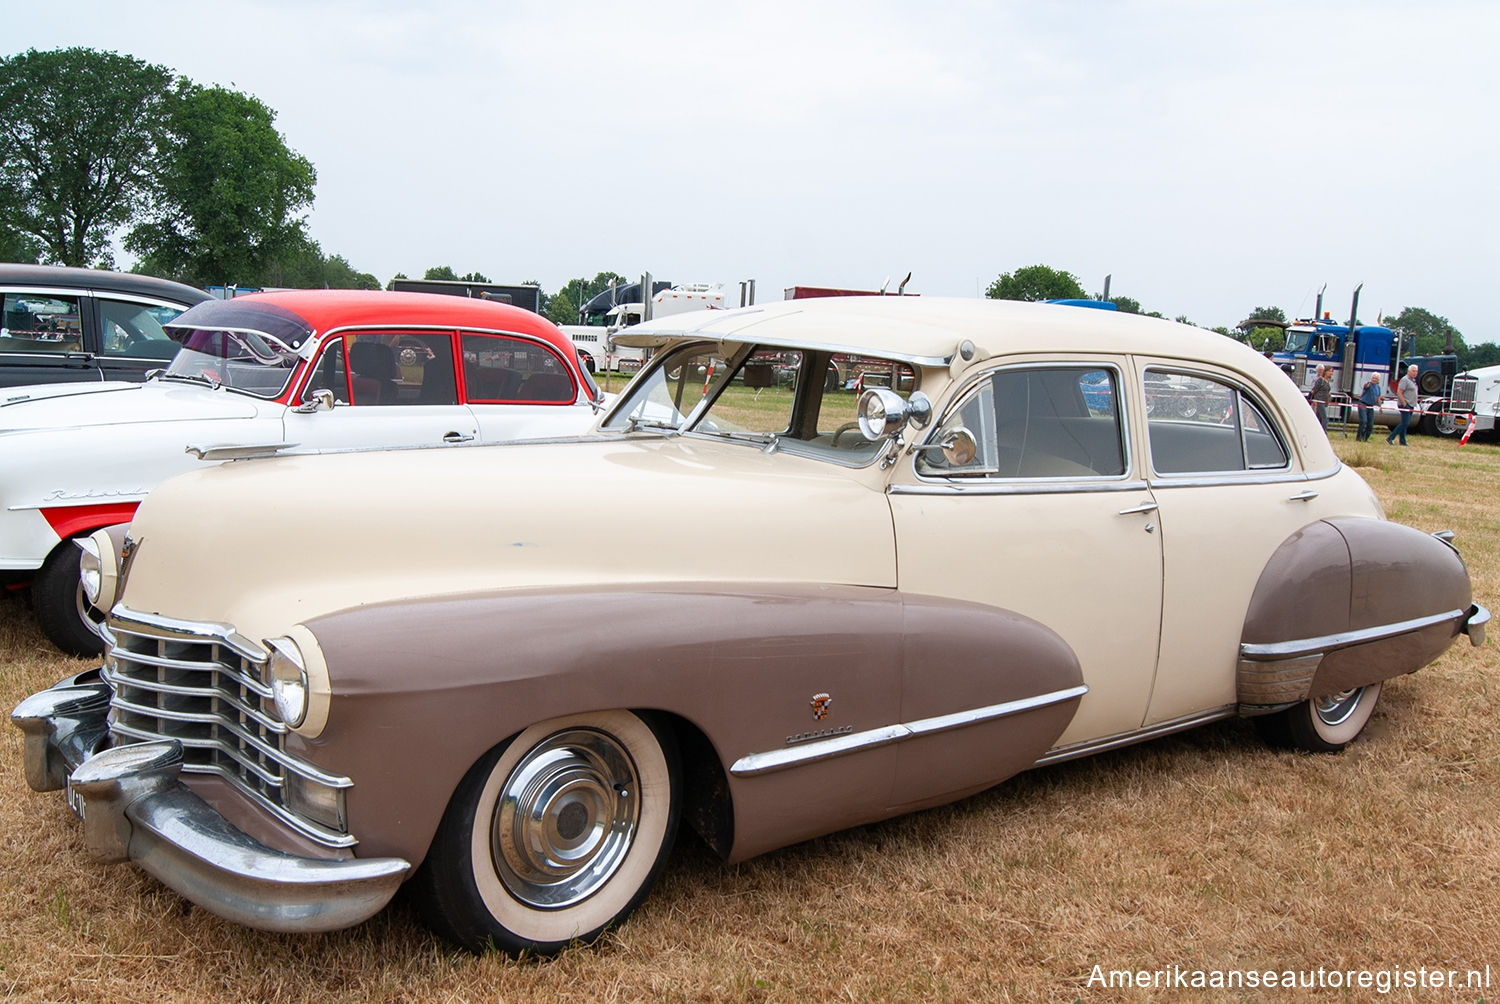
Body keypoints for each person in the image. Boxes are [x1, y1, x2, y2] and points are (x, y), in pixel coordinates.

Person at [1386, 365, 1419, 445]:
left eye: (1416, 371)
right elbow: (1399, 392)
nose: (1415, 373)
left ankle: (1402, 441)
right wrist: (1404, 403)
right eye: (1413, 371)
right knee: (1405, 423)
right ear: (1409, 371)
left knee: (1405, 423)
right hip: (1405, 404)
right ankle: (1390, 438)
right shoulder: (1405, 380)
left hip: (1411, 404)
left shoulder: (1413, 380)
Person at [1356, 373, 1382, 441]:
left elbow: (1378, 398)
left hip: (1370, 406)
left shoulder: (1378, 387)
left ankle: (1365, 438)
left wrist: (1380, 407)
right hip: (1363, 404)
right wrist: (1365, 385)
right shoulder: (1369, 385)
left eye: (1376, 378)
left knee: (1370, 424)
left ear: (1378, 380)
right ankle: (1358, 437)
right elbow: (1365, 386)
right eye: (1373, 378)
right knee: (1364, 421)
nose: (1374, 379)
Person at [1309, 365, 1331, 430]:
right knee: (1324, 418)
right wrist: (1314, 399)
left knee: (1318, 418)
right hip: (1319, 401)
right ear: (1325, 372)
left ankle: (1316, 430)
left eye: (1331, 371)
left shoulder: (1327, 381)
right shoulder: (1320, 380)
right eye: (1329, 371)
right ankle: (1324, 432)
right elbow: (1314, 390)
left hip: (1324, 402)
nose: (1331, 373)